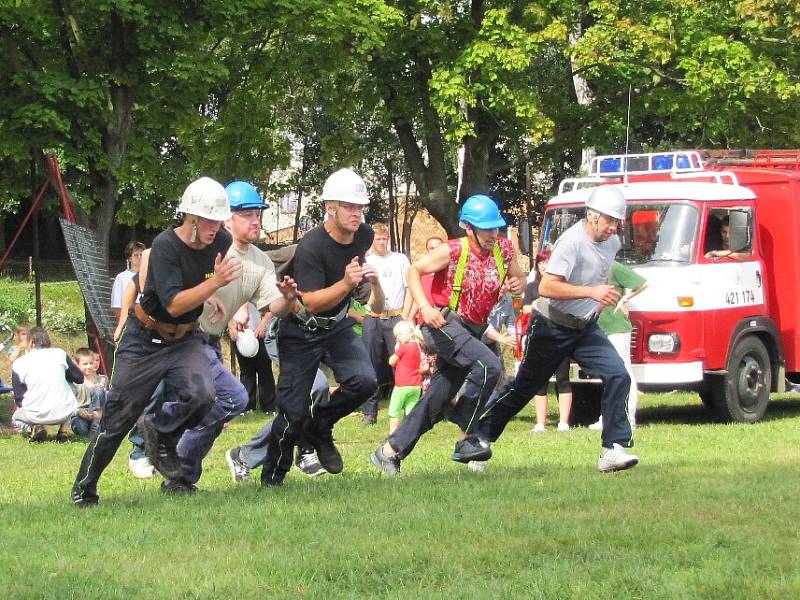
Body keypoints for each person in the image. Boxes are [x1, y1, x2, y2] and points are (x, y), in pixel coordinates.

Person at [71, 176, 241, 507]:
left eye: (219, 220)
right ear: (190, 218)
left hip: (185, 338)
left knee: (204, 395)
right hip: (144, 337)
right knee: (118, 418)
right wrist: (215, 285)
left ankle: (161, 434)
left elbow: (202, 279)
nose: (215, 227)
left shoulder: (220, 240)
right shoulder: (165, 246)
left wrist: (213, 294)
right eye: (208, 220)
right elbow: (174, 302)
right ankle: (85, 487)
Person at [474, 185, 640, 473]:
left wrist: (600, 301)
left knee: (618, 375)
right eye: (609, 220)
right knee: (523, 388)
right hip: (551, 325)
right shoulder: (572, 242)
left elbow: (598, 279)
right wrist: (591, 292)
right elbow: (546, 287)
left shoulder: (611, 243)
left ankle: (612, 449)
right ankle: (479, 440)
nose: (614, 227)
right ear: (592, 216)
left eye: (617, 221)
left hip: (585, 328)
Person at [242, 168, 383, 487]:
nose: (356, 213)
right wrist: (347, 282)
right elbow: (314, 302)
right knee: (292, 411)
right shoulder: (312, 247)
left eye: (360, 206)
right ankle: (272, 476)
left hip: (337, 327)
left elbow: (349, 285)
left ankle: (320, 426)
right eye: (349, 206)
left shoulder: (364, 235)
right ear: (329, 208)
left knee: (364, 382)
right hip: (301, 331)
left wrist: (358, 286)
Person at [370, 194, 525, 476]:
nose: (493, 234)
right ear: (468, 228)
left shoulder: (504, 249)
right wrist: (426, 307)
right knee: (488, 366)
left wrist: (518, 283)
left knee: (437, 397)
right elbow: (414, 271)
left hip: (472, 330)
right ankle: (466, 430)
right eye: (486, 229)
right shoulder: (453, 250)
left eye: (496, 228)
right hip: (443, 324)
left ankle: (388, 452)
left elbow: (519, 278)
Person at [159, 180, 298, 495]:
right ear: (227, 218)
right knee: (233, 398)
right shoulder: (211, 248)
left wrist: (288, 299)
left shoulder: (261, 261)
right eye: (246, 214)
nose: (255, 220)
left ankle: (180, 476)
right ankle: (163, 433)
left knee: (218, 408)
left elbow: (271, 305)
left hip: (209, 342)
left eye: (257, 213)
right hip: (184, 338)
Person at [360, 224, 412, 425]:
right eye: (378, 239)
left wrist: (406, 318)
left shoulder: (400, 259)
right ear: (372, 240)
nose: (381, 242)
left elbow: (409, 288)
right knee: (370, 365)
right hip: (373, 317)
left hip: (396, 317)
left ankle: (406, 408)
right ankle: (369, 413)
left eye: (384, 238)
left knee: (401, 364)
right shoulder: (367, 261)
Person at [590, 261, 649, 430]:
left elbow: (642, 283)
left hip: (616, 328)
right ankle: (607, 417)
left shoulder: (613, 266)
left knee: (624, 372)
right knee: (607, 374)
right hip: (599, 327)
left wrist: (625, 298)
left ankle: (628, 418)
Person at [523, 251, 572, 433]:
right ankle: (540, 422)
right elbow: (525, 308)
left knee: (563, 378)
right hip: (538, 335)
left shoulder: (562, 285)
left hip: (560, 334)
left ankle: (564, 422)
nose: (544, 265)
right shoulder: (532, 287)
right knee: (540, 380)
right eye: (541, 262)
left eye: (548, 262)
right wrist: (538, 302)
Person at [11, 326, 81, 443]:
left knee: (15, 418)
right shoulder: (60, 354)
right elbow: (79, 378)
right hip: (64, 412)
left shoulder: (19, 363)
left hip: (34, 415)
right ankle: (63, 432)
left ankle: (33, 429)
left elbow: (19, 398)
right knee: (71, 386)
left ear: (31, 343)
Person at [233, 301, 276, 413]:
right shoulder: (236, 288)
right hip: (242, 334)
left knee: (265, 370)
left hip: (262, 331)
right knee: (246, 371)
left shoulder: (263, 286)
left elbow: (273, 307)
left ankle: (269, 407)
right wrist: (232, 328)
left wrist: (263, 324)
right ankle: (247, 407)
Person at [387, 320, 424, 434]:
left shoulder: (404, 347)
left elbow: (391, 361)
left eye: (399, 335)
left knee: (394, 409)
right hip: (416, 385)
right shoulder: (417, 346)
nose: (397, 338)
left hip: (402, 385)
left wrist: (397, 350)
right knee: (411, 410)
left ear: (408, 334)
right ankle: (410, 432)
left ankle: (393, 433)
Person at [69, 347, 106, 437]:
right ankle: (92, 431)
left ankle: (95, 427)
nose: (89, 366)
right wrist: (78, 412)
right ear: (77, 365)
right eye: (85, 364)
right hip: (80, 415)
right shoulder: (74, 383)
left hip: (97, 415)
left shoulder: (102, 379)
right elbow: (68, 405)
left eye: (91, 363)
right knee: (81, 428)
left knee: (98, 390)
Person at [111, 241, 145, 320]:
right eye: (136, 255)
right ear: (130, 258)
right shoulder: (121, 277)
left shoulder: (150, 276)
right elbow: (117, 307)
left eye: (141, 255)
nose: (139, 257)